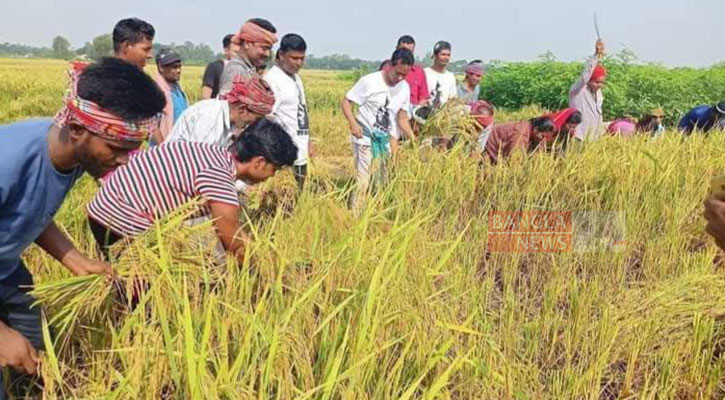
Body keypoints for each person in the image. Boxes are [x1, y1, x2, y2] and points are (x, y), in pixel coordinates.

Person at [0, 58, 165, 398]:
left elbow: (30, 210)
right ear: (77, 129)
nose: (123, 162)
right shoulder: (7, 162)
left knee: (36, 352)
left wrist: (76, 260)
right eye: (117, 150)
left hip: (7, 272)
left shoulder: (73, 155)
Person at [86, 119, 297, 262]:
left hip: (103, 209)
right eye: (274, 169)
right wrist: (267, 271)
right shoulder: (219, 177)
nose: (272, 176)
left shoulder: (210, 153)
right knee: (145, 294)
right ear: (259, 163)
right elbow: (232, 240)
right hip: (121, 221)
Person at [340, 49, 414, 209]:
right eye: (398, 73)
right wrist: (353, 123)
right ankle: (355, 216)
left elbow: (402, 118)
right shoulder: (370, 81)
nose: (400, 78)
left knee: (381, 181)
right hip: (365, 137)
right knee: (363, 181)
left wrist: (412, 138)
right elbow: (346, 101)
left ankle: (375, 213)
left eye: (404, 75)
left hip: (384, 141)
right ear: (391, 66)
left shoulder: (404, 88)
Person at [166, 76, 275, 148]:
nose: (253, 124)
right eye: (255, 119)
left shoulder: (229, 124)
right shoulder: (209, 118)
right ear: (242, 109)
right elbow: (199, 165)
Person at [264, 34, 312, 189]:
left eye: (301, 59)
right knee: (283, 205)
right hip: (284, 158)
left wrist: (308, 141)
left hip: (301, 153)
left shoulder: (296, 79)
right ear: (281, 55)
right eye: (294, 58)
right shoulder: (272, 80)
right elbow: (265, 118)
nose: (298, 63)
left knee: (297, 201)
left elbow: (300, 112)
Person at [218, 18, 277, 96]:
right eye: (264, 48)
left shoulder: (248, 69)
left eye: (269, 49)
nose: (267, 54)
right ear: (247, 44)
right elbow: (228, 105)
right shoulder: (237, 70)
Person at [570, 40, 606, 141]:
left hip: (595, 137)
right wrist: (596, 56)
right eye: (597, 82)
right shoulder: (578, 91)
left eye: (602, 83)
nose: (599, 85)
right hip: (579, 136)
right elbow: (584, 76)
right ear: (589, 80)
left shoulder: (598, 94)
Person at [484, 116, 556, 164]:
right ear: (536, 129)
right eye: (542, 136)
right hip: (488, 148)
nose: (543, 140)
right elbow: (514, 160)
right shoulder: (520, 135)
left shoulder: (532, 131)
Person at [153, 49, 188, 144]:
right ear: (161, 67)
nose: (178, 71)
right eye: (174, 67)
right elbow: (152, 125)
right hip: (164, 150)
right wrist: (163, 148)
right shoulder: (156, 90)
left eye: (180, 67)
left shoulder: (178, 88)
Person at [201, 34, 237, 100]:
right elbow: (205, 95)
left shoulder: (245, 69)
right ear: (226, 50)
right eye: (235, 52)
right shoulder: (214, 67)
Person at [425, 41, 458, 108]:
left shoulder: (450, 77)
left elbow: (452, 99)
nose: (446, 57)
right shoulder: (424, 73)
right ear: (434, 56)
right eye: (443, 54)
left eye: (448, 55)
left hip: (443, 115)